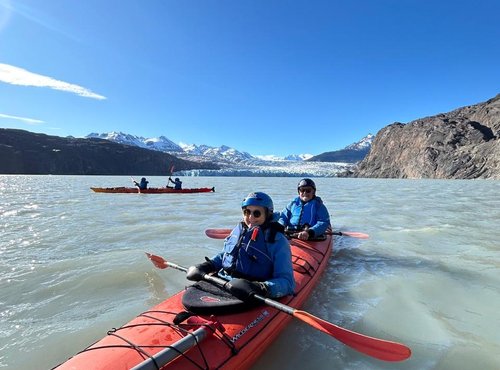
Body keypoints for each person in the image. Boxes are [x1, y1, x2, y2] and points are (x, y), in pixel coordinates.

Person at [186, 192, 295, 302]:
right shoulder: (239, 230)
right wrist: (208, 265)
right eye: (247, 212)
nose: (251, 217)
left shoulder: (278, 241)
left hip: (250, 291)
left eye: (257, 213)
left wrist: (260, 287)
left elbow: (287, 282)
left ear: (268, 214)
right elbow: (225, 255)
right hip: (223, 281)